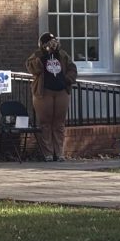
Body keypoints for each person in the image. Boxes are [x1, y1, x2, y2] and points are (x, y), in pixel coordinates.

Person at [25, 32, 78, 162]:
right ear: (42, 44)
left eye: (54, 41)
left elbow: (72, 68)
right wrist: (45, 55)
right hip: (44, 92)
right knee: (45, 123)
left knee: (59, 123)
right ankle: (48, 154)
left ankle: (59, 153)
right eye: (49, 42)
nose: (53, 44)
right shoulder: (37, 55)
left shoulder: (63, 55)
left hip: (61, 92)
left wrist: (67, 80)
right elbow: (32, 68)